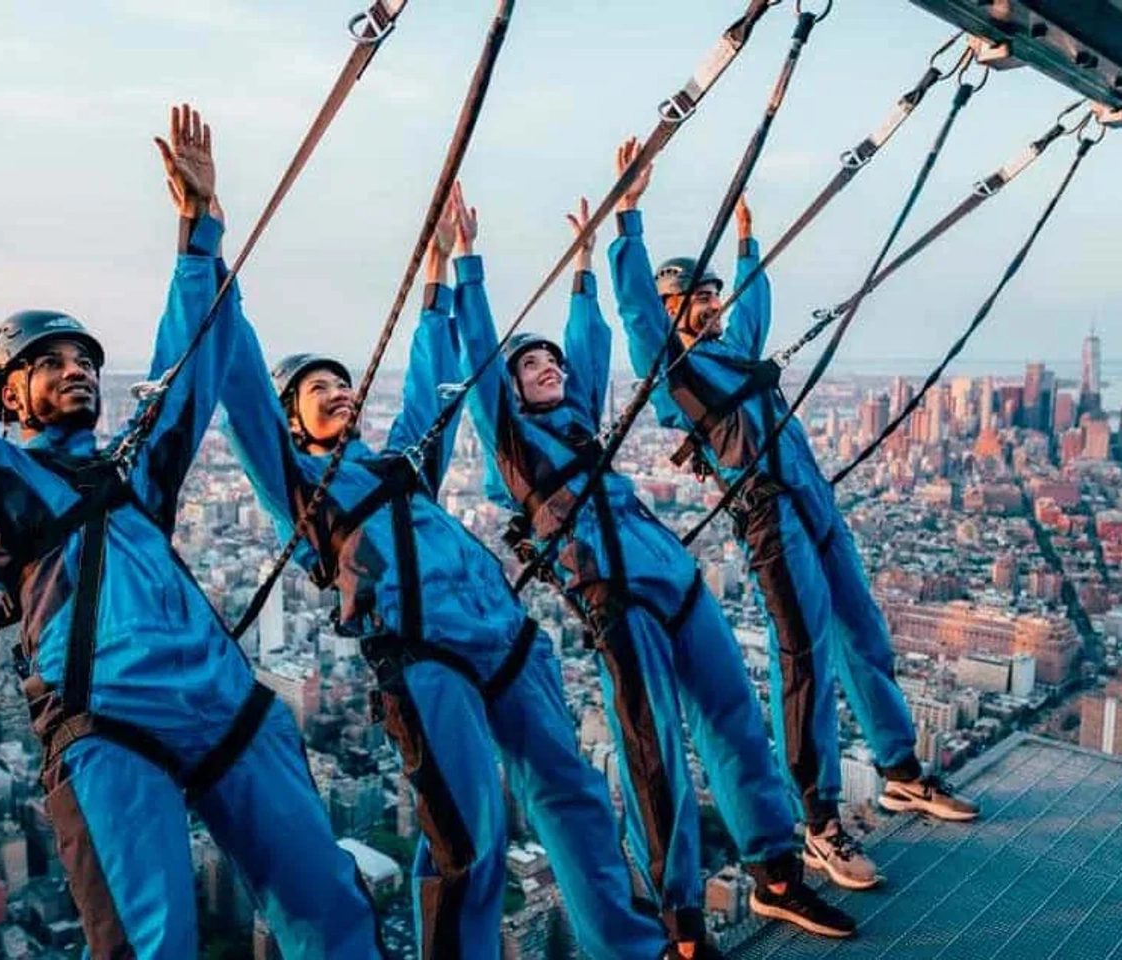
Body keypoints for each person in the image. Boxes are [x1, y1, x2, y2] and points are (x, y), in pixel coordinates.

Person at [0, 47, 388, 958]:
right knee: (156, 946)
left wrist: (199, 229)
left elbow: (187, 366)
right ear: (8, 396)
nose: (77, 372)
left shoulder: (132, 474)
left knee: (336, 911)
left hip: (229, 705)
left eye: (85, 364)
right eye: (52, 364)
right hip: (108, 720)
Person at [217, 206, 684, 959]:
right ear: (292, 421)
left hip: (504, 637)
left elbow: (427, 390)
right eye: (318, 389)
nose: (339, 391)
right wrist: (212, 264)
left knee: (575, 797)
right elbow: (242, 404)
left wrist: (439, 272)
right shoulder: (302, 489)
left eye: (343, 382)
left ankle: (631, 947)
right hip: (425, 658)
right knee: (470, 840)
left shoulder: (401, 465)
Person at [448, 182, 856, 945]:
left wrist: (582, 265)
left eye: (548, 360)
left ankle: (776, 876)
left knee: (735, 721)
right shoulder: (515, 445)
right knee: (655, 754)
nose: (548, 367)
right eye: (529, 364)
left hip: (674, 580)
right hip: (618, 599)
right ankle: (683, 927)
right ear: (508, 389)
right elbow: (478, 367)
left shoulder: (578, 421)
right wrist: (468, 268)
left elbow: (592, 342)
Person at [606, 136, 979, 891]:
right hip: (768, 516)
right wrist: (628, 218)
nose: (709, 307)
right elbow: (639, 315)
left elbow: (756, 308)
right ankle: (819, 823)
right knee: (804, 659)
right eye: (695, 299)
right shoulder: (674, 370)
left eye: (712, 297)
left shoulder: (734, 352)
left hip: (812, 499)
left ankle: (899, 765)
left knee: (863, 631)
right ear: (673, 309)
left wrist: (747, 243)